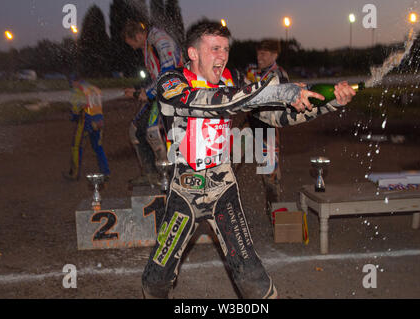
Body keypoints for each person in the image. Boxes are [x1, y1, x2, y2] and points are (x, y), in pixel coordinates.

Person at [141, 19, 356, 299]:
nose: (222, 56)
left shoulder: (232, 81)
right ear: (192, 53)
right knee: (156, 281)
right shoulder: (172, 82)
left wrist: (328, 102)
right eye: (214, 49)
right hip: (185, 191)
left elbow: (274, 116)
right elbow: (213, 102)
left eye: (226, 49)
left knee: (252, 278)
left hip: (222, 188)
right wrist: (277, 91)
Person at [123, 20, 183, 187]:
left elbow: (169, 72)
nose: (134, 48)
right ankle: (150, 174)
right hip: (161, 95)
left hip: (174, 95)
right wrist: (137, 90)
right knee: (135, 131)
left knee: (152, 131)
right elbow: (154, 77)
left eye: (133, 43)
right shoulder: (150, 43)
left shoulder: (159, 39)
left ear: (139, 35)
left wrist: (147, 92)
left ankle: (168, 176)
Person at [244, 39, 289, 203]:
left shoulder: (279, 74)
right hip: (253, 128)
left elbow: (281, 103)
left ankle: (276, 213)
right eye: (258, 53)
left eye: (263, 54)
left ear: (274, 55)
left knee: (270, 175)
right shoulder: (255, 72)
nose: (259, 57)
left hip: (268, 131)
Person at [63, 75, 110, 181]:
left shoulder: (78, 91)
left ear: (75, 81)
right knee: (98, 147)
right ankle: (106, 172)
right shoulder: (95, 89)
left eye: (71, 82)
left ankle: (74, 174)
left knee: (76, 146)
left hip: (86, 120)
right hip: (99, 120)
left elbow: (75, 110)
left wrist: (72, 116)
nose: (71, 85)